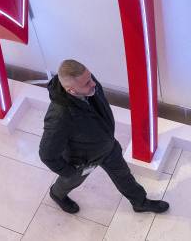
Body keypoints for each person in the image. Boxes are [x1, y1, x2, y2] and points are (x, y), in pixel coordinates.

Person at [39, 59, 169, 215]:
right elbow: (47, 154)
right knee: (71, 181)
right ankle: (57, 195)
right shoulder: (59, 117)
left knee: (123, 174)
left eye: (91, 78)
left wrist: (108, 140)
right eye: (87, 83)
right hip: (82, 161)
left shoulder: (89, 84)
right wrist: (70, 171)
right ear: (71, 91)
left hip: (107, 147)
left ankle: (139, 202)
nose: (93, 83)